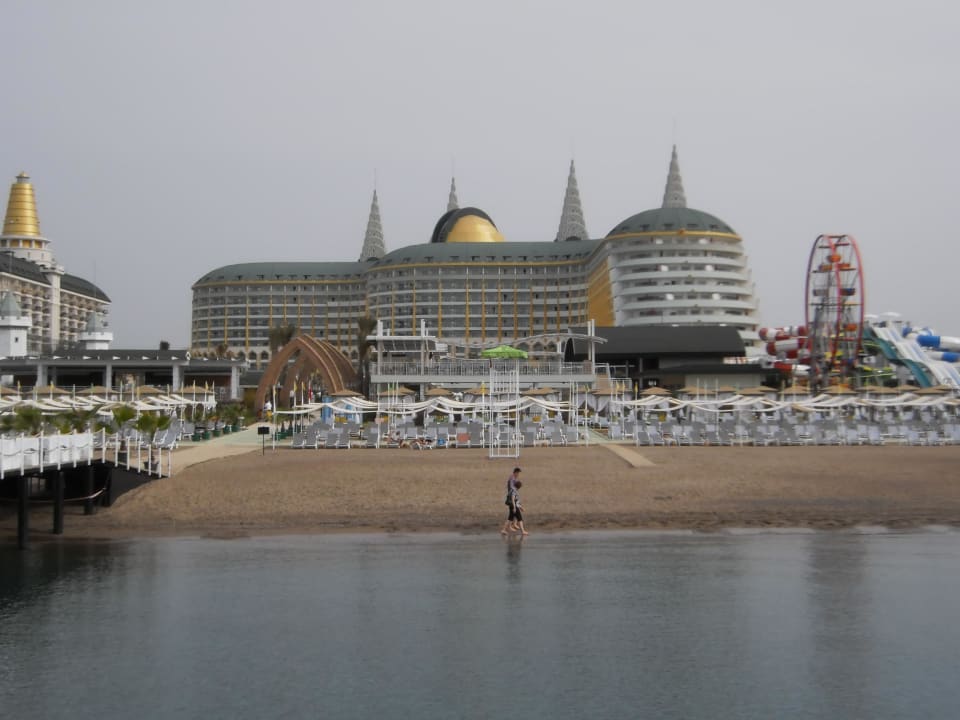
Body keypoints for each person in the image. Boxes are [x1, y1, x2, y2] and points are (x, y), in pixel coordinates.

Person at [500, 467, 524, 535]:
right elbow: (511, 488)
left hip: (513, 496)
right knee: (514, 515)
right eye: (518, 473)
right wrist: (514, 491)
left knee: (511, 516)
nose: (518, 474)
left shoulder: (515, 478)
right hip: (512, 497)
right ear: (515, 472)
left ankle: (513, 525)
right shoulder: (512, 478)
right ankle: (511, 527)